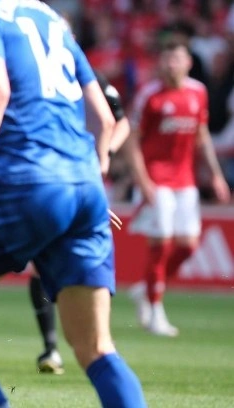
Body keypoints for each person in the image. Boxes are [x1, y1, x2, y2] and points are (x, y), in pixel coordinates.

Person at [0, 1, 147, 407]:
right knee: (96, 347)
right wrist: (84, 182)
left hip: (24, 180)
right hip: (84, 186)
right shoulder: (49, 17)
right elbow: (104, 119)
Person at [125, 39, 230, 337]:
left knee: (188, 246)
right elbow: (131, 140)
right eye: (167, 59)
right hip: (156, 180)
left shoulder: (198, 92)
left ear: (188, 63)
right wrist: (142, 180)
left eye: (176, 59)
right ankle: (155, 310)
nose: (171, 65)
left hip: (185, 180)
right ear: (161, 63)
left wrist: (216, 175)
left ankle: (146, 289)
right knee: (161, 245)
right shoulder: (150, 95)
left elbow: (201, 134)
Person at [30, 70, 130, 375]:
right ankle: (51, 347)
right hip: (54, 179)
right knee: (40, 262)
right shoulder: (36, 74)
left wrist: (105, 153)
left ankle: (100, 340)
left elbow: (119, 121)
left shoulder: (91, 77)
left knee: (86, 261)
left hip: (85, 178)